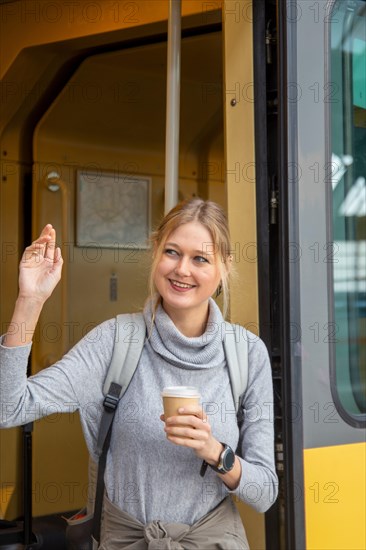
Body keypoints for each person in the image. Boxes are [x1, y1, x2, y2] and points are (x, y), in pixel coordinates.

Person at [0, 198, 278, 549]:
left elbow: (265, 492)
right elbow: (8, 407)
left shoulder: (247, 354)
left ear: (224, 267)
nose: (182, 270)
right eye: (172, 252)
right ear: (155, 253)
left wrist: (215, 451)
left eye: (201, 259)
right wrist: (29, 301)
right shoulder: (114, 342)